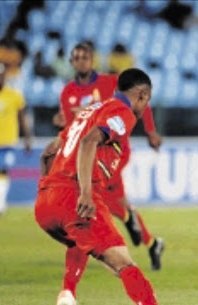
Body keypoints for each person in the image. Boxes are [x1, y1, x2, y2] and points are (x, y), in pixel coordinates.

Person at [35, 68, 198, 305]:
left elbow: (48, 152)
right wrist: (85, 193)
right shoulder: (121, 113)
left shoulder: (89, 111)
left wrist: (46, 190)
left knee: (82, 241)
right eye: (147, 101)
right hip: (75, 195)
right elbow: (89, 142)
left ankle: (67, 295)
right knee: (124, 262)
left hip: (46, 202)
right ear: (142, 95)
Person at [54, 42, 165, 270]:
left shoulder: (112, 83)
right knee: (112, 200)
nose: (82, 61)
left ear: (92, 60)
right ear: (72, 62)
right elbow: (70, 126)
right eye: (77, 58)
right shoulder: (67, 92)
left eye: (86, 57)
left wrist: (151, 130)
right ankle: (149, 240)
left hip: (113, 150)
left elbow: (141, 103)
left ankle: (104, 244)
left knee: (94, 195)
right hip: (86, 151)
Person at [0, 63, 31, 216]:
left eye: (0, 75)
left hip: (7, 141)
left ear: (5, 76)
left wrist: (27, 137)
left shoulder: (15, 94)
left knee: (2, 170)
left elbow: (22, 118)